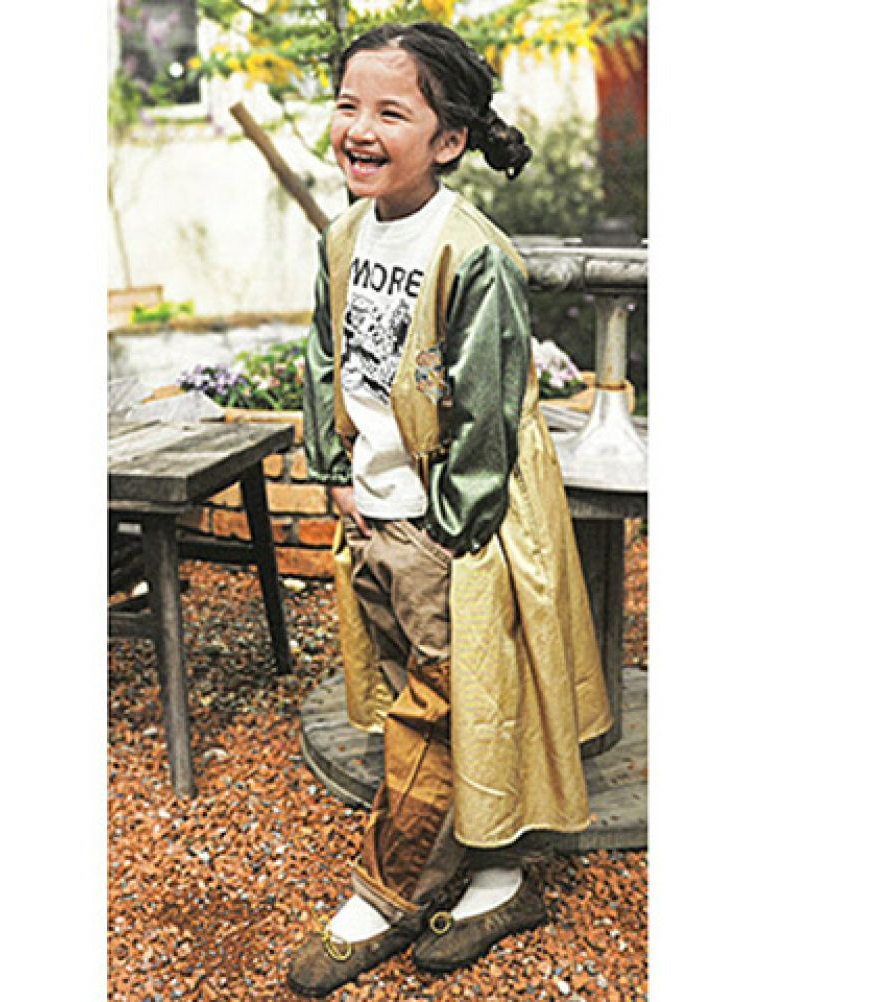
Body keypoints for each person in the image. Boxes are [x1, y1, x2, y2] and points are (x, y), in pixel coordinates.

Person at [290, 21, 612, 997]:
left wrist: (450, 525)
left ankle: (389, 891)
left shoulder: (473, 255)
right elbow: (324, 355)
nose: (360, 128)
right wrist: (334, 467)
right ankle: (499, 873)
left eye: (391, 111)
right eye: (348, 104)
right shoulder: (345, 235)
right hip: (372, 507)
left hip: (444, 524)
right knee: (433, 693)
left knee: (439, 702)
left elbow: (486, 408)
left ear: (449, 139)